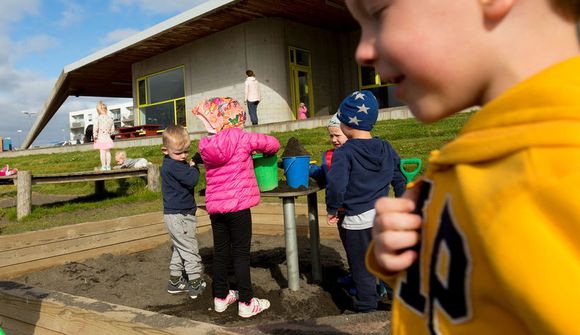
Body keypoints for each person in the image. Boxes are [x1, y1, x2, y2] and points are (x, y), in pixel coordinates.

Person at [346, 0, 580, 333]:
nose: (363, 52)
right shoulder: (491, 154)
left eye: (379, 14)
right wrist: (405, 260)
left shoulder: (556, 171)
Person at [193, 97, 280, 318]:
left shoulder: (205, 146)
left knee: (221, 252)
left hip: (216, 208)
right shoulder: (243, 138)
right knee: (241, 253)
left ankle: (221, 297)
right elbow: (273, 143)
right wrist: (263, 152)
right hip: (239, 206)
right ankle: (246, 302)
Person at [326, 90, 406, 313]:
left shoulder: (345, 153)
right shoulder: (386, 148)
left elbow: (336, 185)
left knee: (362, 267)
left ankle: (366, 308)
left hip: (358, 221)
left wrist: (332, 208)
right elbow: (399, 179)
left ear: (347, 125)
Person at [160, 125, 206, 300]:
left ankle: (175, 281)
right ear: (165, 150)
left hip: (174, 215)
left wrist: (188, 163)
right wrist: (194, 167)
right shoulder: (176, 166)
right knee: (190, 249)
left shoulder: (170, 163)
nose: (184, 156)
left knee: (180, 248)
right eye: (179, 153)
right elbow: (192, 180)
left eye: (186, 152)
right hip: (181, 216)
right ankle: (195, 283)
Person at [92, 102, 115, 170]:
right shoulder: (110, 119)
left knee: (102, 152)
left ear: (98, 110)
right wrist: (109, 133)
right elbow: (112, 130)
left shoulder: (98, 118)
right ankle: (108, 166)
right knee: (108, 152)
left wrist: (95, 135)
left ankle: (103, 166)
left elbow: (95, 128)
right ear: (106, 109)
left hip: (100, 137)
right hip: (108, 137)